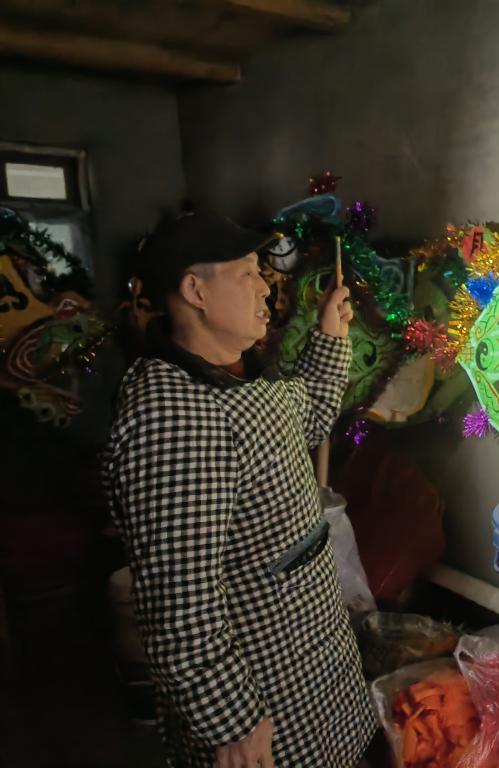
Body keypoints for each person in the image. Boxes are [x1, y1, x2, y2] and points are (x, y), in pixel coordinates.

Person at [104, 213, 378, 767]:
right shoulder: (174, 419)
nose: (265, 287)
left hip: (312, 658)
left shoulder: (240, 373)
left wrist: (330, 335)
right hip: (264, 698)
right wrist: (233, 722)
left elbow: (306, 422)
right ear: (195, 291)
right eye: (248, 273)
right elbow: (179, 604)